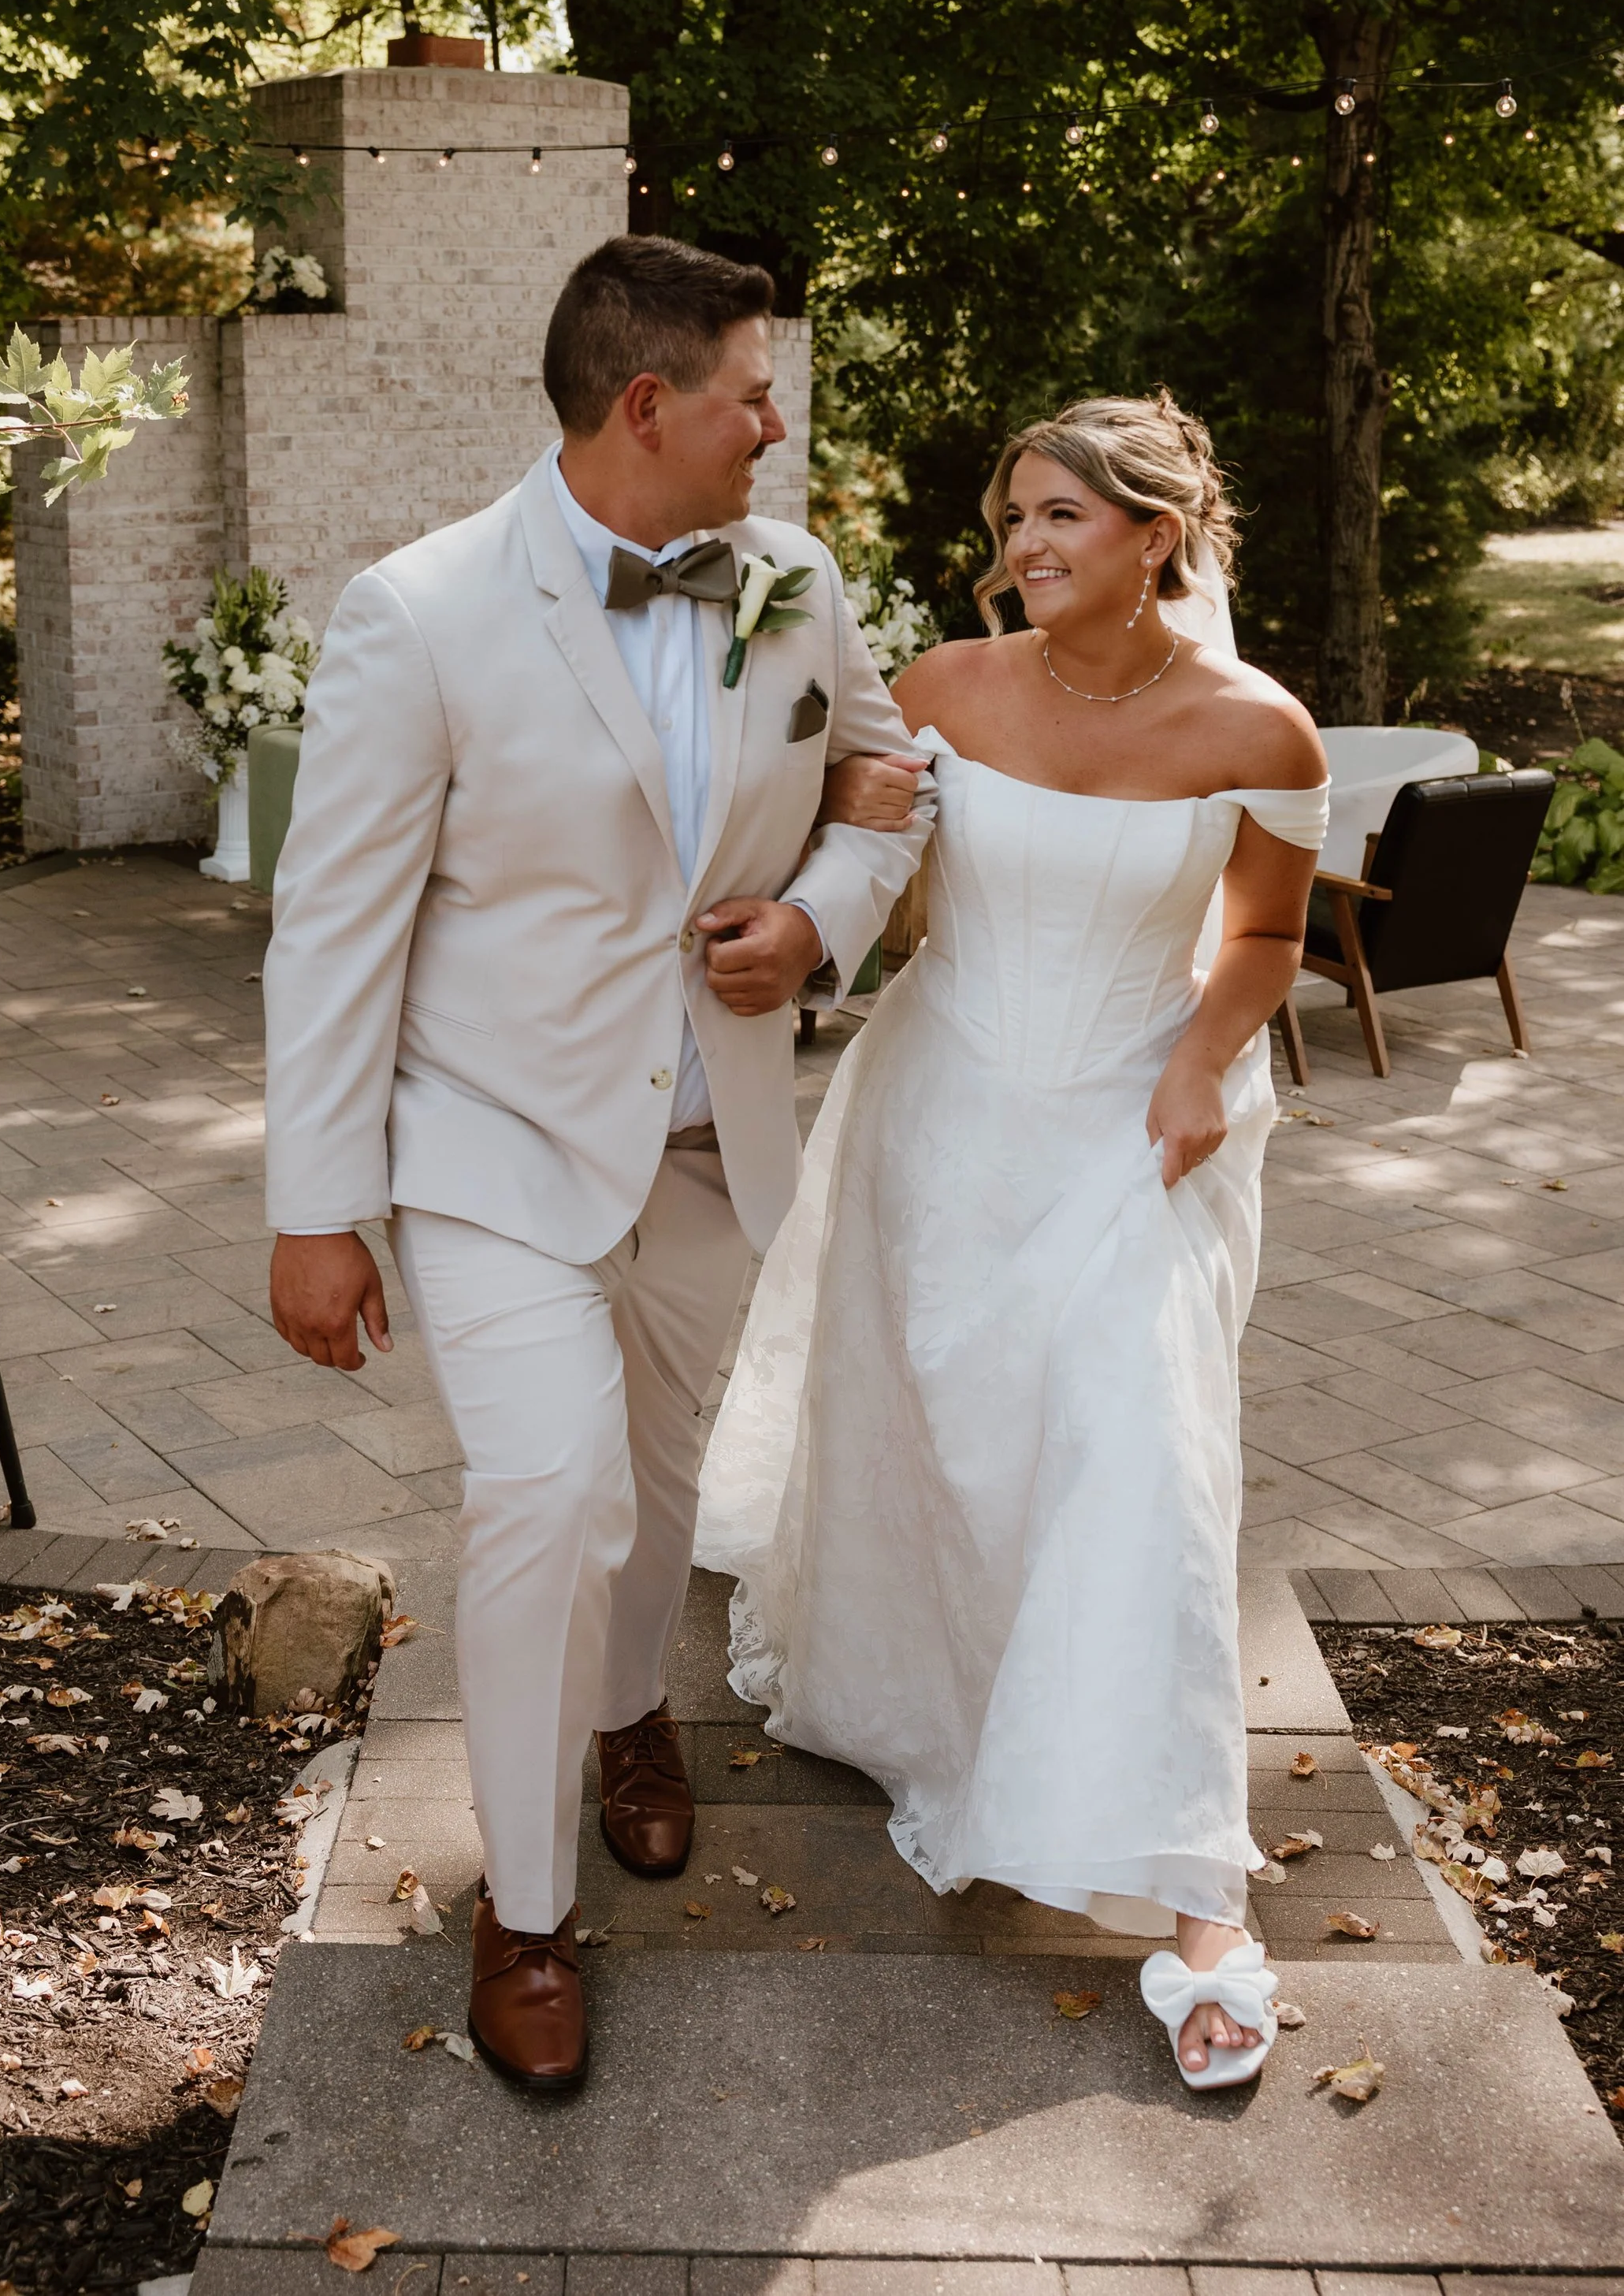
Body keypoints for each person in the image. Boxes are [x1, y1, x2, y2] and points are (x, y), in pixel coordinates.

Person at [262, 233, 932, 2092]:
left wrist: (817, 922)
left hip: (719, 1141)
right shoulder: (418, 610)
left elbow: (889, 790)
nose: (771, 422)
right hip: (493, 1145)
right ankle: (525, 1907)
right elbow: (333, 927)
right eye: (748, 388)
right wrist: (314, 1209)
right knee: (545, 1497)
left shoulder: (791, 582)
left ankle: (636, 1708)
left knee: (651, 1486)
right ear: (650, 405)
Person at [695, 393, 1328, 2092]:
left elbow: (1261, 932)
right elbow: (879, 874)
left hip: (1138, 1123)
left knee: (1141, 1449)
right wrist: (821, 887)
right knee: (956, 1438)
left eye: (1059, 518)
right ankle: (968, 1704)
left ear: (1153, 539)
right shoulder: (945, 690)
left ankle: (1197, 1906)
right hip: (946, 1107)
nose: (1023, 549)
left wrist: (1200, 1063)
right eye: (1013, 518)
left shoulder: (1261, 730)